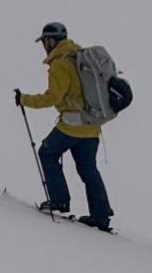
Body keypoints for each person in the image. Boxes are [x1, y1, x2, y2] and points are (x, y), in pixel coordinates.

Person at [14, 22, 114, 231]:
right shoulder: (78, 56)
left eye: (44, 41)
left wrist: (25, 99)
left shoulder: (60, 63)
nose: (43, 45)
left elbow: (53, 97)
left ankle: (59, 201)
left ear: (51, 41)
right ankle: (101, 215)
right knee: (88, 170)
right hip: (92, 124)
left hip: (71, 125)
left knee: (47, 152)